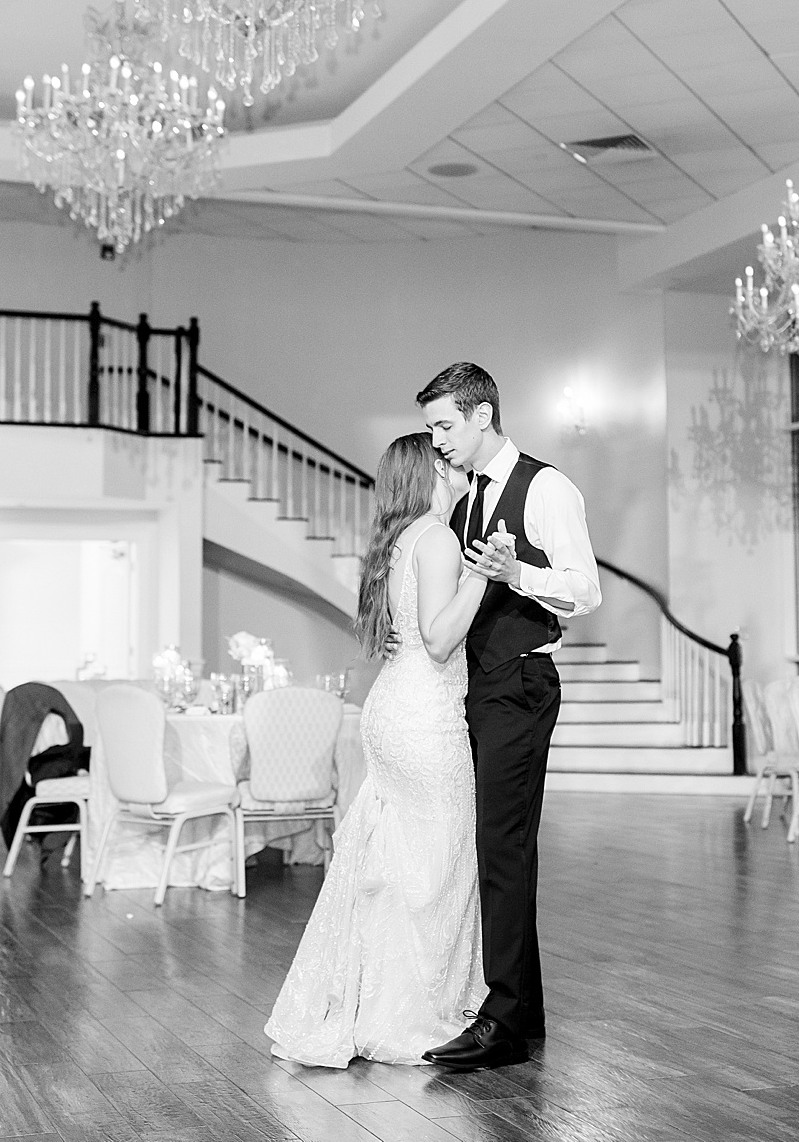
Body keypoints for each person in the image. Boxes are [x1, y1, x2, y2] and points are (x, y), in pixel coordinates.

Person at [264, 432, 489, 1067]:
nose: (456, 467)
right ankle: (420, 1012)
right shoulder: (441, 538)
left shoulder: (399, 539)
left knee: (394, 864)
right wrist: (482, 574)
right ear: (428, 472)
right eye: (444, 461)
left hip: (393, 707)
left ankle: (371, 1003)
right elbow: (441, 640)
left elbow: (410, 634)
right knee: (439, 865)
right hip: (425, 717)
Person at [417, 362, 600, 1071]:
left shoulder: (545, 487)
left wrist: (517, 571)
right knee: (497, 846)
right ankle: (525, 1009)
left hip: (520, 685)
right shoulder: (464, 498)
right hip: (477, 686)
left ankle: (502, 1021)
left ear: (483, 414)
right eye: (431, 427)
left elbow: (586, 589)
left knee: (503, 846)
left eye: (445, 425)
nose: (436, 441)